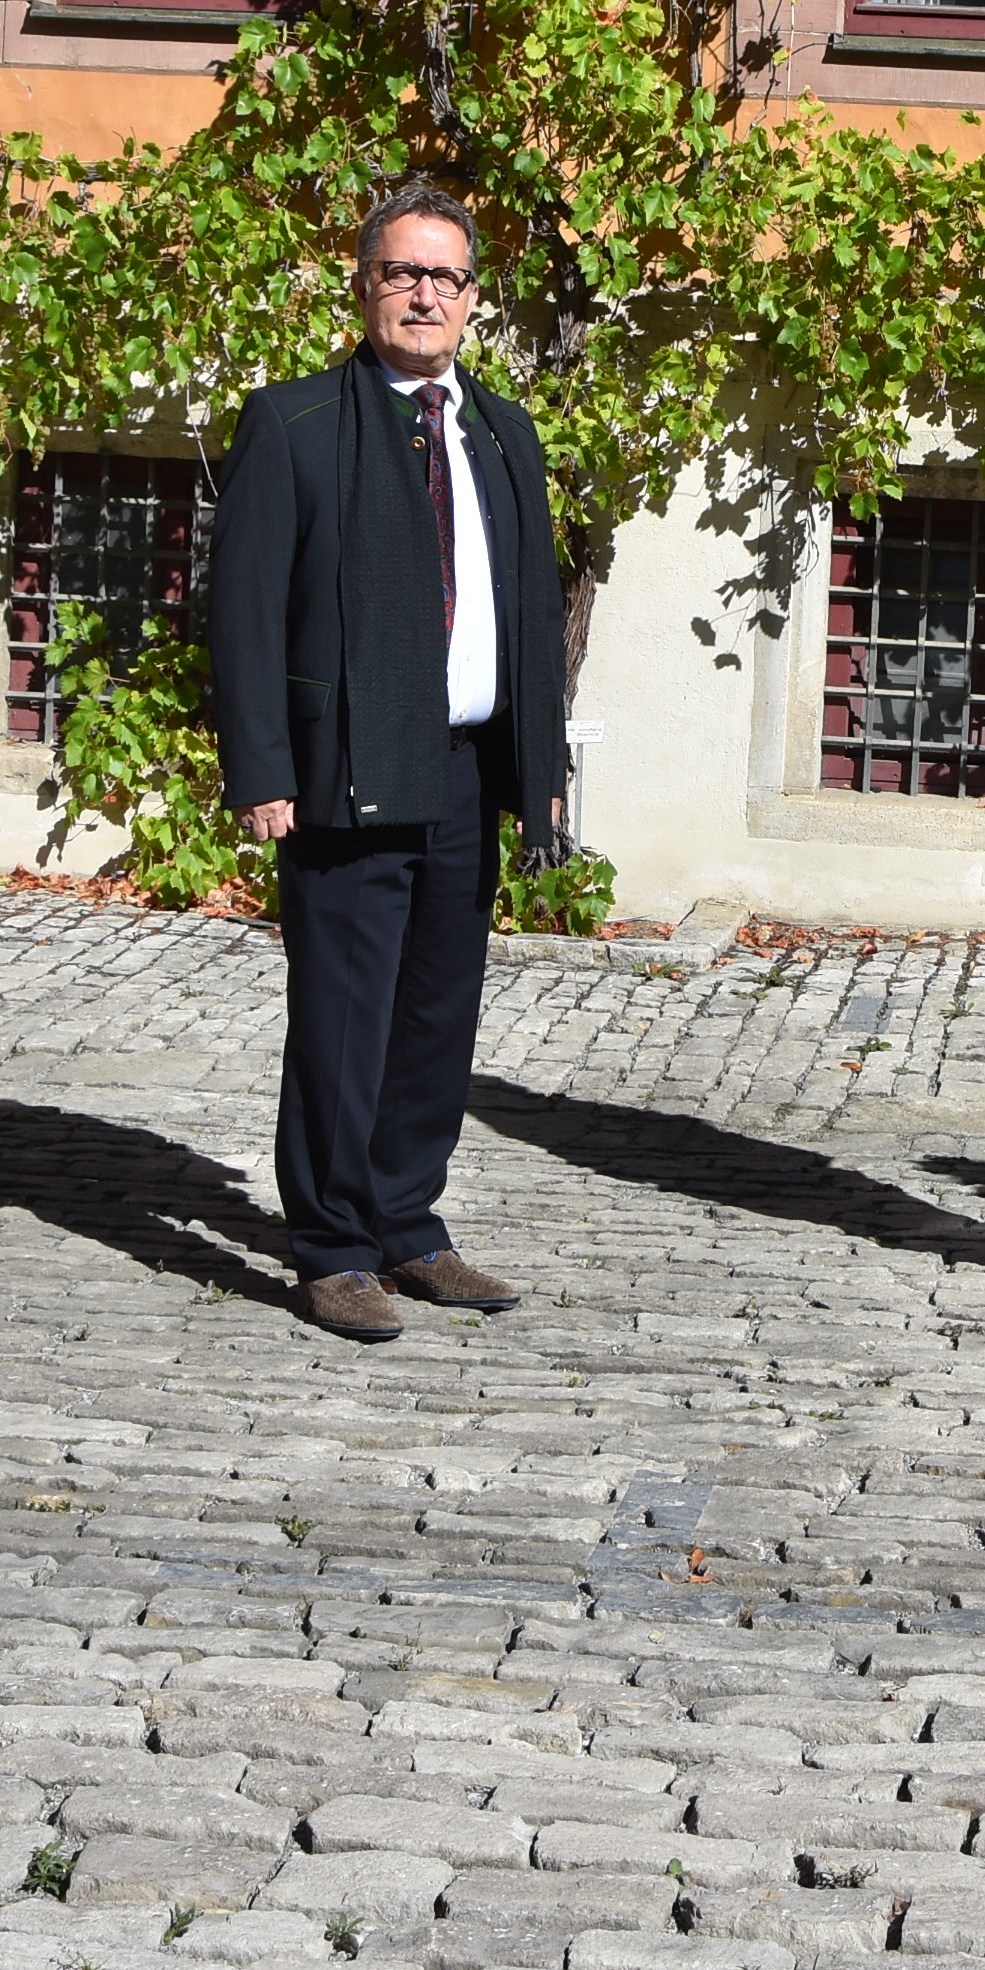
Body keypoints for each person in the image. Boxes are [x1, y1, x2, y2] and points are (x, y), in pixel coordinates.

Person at [201, 180, 569, 1345]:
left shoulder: (502, 432)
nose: (423, 295)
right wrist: (261, 769)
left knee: (434, 1017)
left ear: (473, 298)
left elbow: (530, 605)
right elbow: (242, 614)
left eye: (445, 277)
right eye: (402, 272)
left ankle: (408, 1222)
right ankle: (330, 1247)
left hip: (465, 769)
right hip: (344, 773)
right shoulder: (295, 423)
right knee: (344, 1020)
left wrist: (540, 769)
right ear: (363, 285)